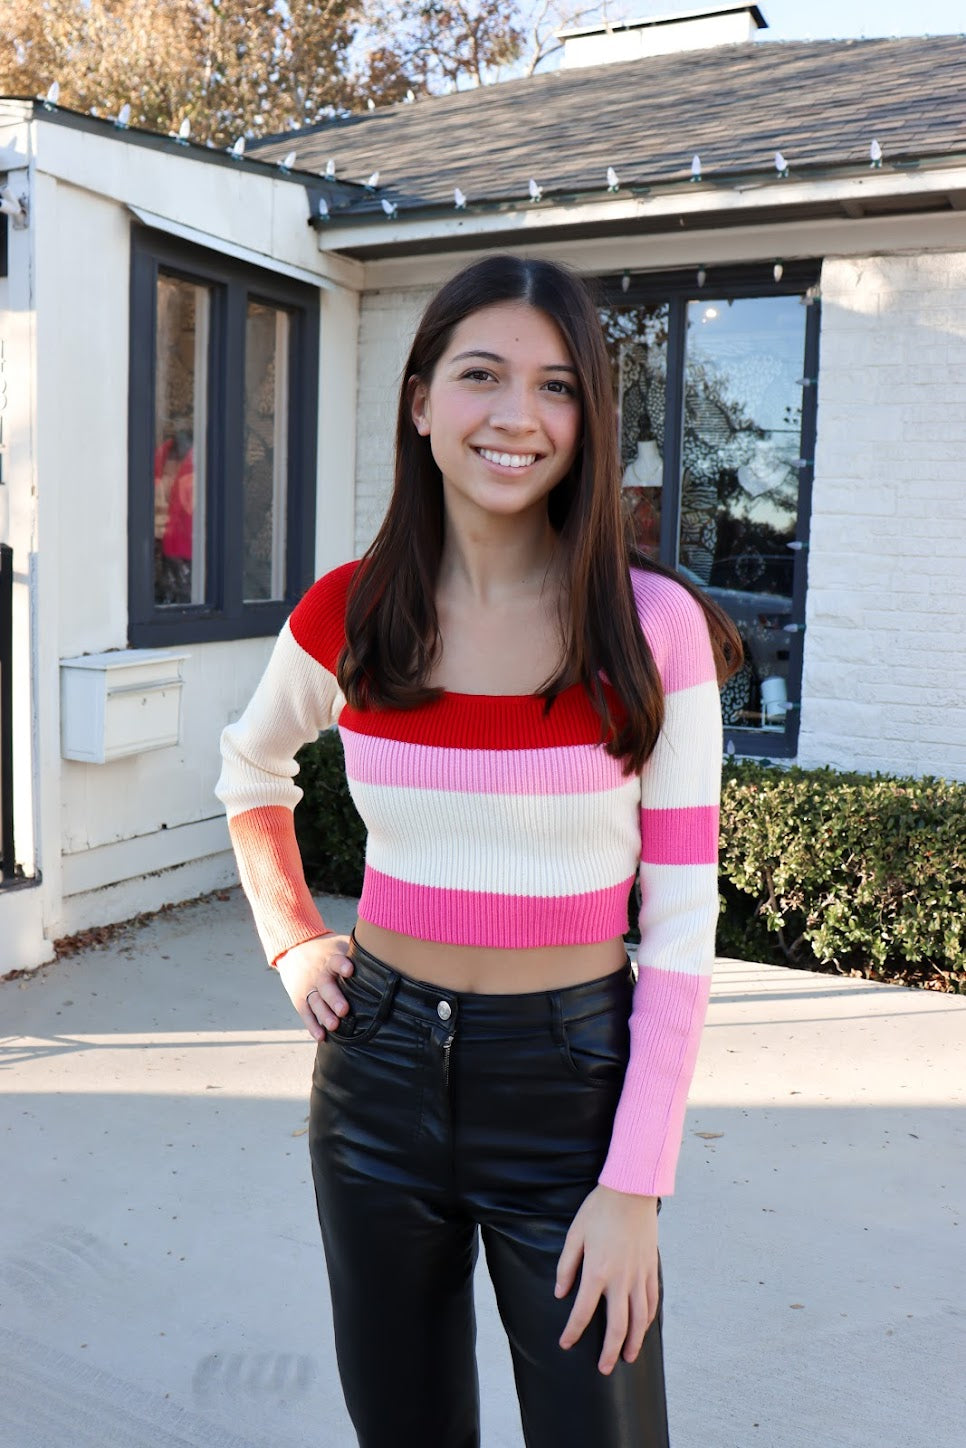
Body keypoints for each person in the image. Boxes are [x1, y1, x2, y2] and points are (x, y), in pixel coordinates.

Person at [215, 254, 742, 1448]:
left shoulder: (651, 627)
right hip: (376, 1073)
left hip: (572, 1090)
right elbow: (248, 770)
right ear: (420, 401)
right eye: (481, 374)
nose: (516, 415)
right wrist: (295, 938)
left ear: (589, 420)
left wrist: (634, 1182)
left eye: (556, 386)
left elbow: (680, 923)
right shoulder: (349, 613)